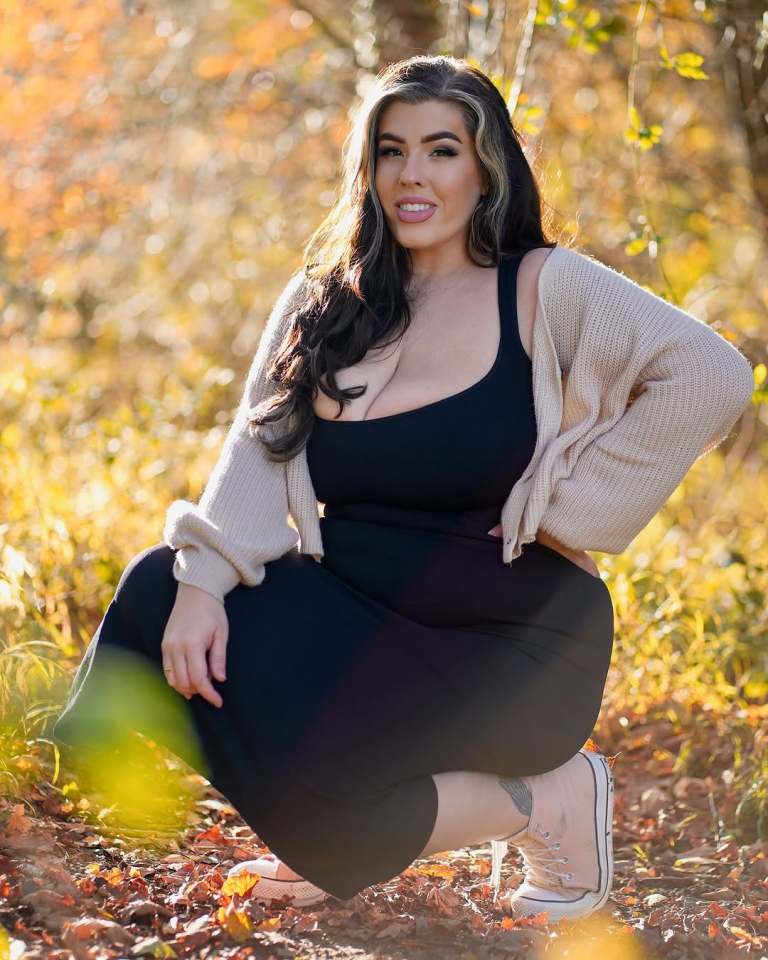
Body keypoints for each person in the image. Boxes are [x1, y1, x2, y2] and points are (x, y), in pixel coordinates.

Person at [52, 55, 754, 923]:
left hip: (513, 638)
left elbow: (711, 376)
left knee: (330, 799)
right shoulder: (323, 304)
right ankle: (291, 831)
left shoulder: (542, 287)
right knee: (157, 587)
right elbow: (254, 452)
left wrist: (574, 504)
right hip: (358, 607)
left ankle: (549, 799)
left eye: (441, 150)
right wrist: (203, 583)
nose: (412, 175)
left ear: (486, 166)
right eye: (392, 151)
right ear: (369, 167)